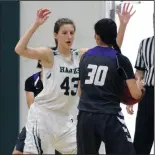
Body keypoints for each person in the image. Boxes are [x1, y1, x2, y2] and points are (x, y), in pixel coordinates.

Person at [14, 4, 135, 154]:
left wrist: (122, 25)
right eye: (64, 33)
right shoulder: (49, 55)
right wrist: (36, 24)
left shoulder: (81, 55)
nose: (69, 36)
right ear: (55, 35)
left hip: (65, 118)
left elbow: (110, 51)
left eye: (72, 32)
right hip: (43, 115)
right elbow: (20, 49)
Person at [77, 18, 144, 154]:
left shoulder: (85, 56)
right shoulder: (121, 60)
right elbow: (136, 94)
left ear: (96, 36)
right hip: (109, 116)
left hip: (85, 116)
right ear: (113, 36)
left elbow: (80, 91)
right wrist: (140, 86)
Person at [12, 61, 61, 155]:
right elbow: (31, 105)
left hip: (57, 123)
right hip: (37, 121)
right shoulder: (31, 80)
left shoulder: (60, 80)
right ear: (40, 61)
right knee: (18, 152)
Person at [126, 13, 154, 155]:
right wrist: (134, 92)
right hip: (148, 94)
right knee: (142, 140)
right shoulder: (145, 43)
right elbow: (139, 72)